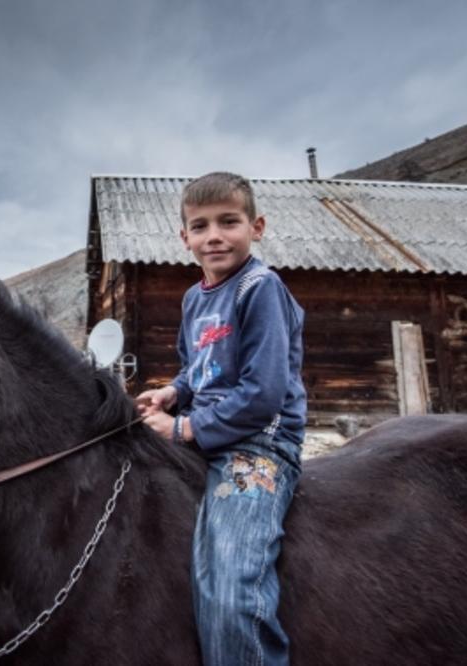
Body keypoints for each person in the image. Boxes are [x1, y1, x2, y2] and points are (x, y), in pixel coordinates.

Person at [136, 172, 307, 666]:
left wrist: (184, 428)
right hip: (203, 431)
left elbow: (263, 393)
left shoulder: (261, 289)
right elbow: (200, 369)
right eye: (201, 225)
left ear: (256, 226)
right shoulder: (195, 298)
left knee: (230, 590)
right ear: (184, 237)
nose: (214, 235)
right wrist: (172, 392)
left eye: (228, 222)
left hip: (257, 444)